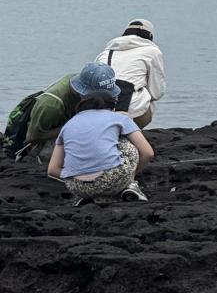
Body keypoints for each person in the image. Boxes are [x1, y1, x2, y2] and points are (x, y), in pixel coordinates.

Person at [44, 63, 153, 202]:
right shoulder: (120, 119)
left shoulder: (69, 124)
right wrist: (128, 176)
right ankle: (130, 185)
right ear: (114, 99)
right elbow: (148, 153)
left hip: (77, 187)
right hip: (111, 181)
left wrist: (75, 177)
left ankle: (90, 196)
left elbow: (52, 170)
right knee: (126, 143)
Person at [95, 18, 166, 128]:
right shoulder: (152, 52)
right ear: (150, 36)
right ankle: (132, 133)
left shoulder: (105, 53)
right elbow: (156, 93)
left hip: (99, 109)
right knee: (149, 101)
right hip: (131, 111)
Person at [7, 71, 89, 163]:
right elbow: (32, 137)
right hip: (38, 145)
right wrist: (67, 128)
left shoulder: (75, 78)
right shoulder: (51, 105)